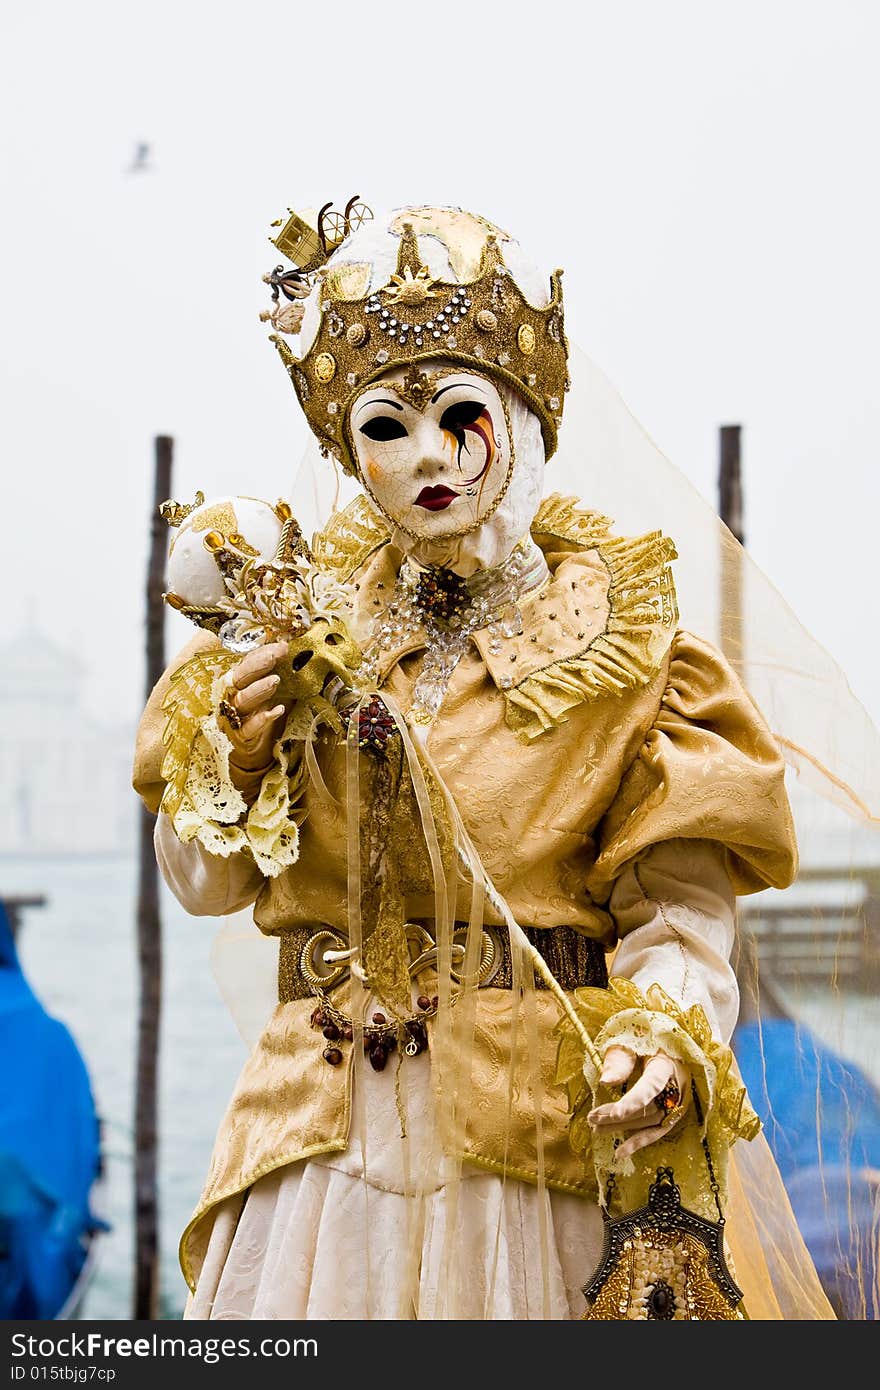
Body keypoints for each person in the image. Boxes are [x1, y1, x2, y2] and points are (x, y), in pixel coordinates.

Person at [133, 203, 858, 1320]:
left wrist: (664, 1035)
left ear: (518, 421)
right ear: (347, 454)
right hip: (318, 1159)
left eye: (459, 414)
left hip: (539, 1150)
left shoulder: (633, 657)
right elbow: (207, 882)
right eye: (384, 427)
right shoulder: (287, 640)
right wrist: (226, 750)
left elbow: (680, 916)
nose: (427, 454)